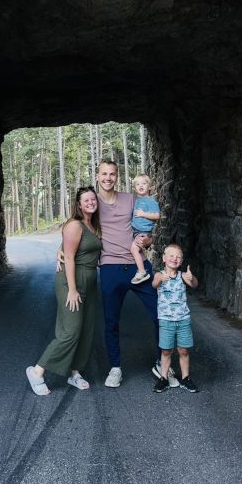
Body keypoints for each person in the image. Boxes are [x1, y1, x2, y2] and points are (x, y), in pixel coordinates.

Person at [60, 159, 178, 388]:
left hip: (138, 266)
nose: (108, 178)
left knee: (160, 315)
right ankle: (115, 367)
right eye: (104, 174)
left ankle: (162, 363)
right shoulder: (92, 202)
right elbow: (77, 226)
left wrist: (148, 240)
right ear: (97, 176)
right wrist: (61, 250)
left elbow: (148, 228)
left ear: (117, 176)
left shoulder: (131, 199)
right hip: (110, 267)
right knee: (111, 321)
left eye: (112, 174)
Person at [26, 187, 103, 396]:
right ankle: (37, 371)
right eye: (86, 200)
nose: (90, 202)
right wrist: (72, 289)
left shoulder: (94, 225)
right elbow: (68, 257)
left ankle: (75, 373)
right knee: (70, 331)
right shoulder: (74, 225)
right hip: (71, 281)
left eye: (93, 199)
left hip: (90, 282)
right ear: (79, 204)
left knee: (86, 329)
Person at [152, 244, 200, 393]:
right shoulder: (159, 274)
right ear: (164, 258)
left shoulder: (182, 275)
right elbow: (154, 284)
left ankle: (185, 378)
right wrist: (161, 279)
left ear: (182, 261)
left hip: (183, 319)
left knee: (183, 350)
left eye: (178, 256)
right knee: (166, 350)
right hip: (166, 320)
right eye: (171, 255)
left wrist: (192, 278)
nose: (175, 258)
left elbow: (194, 284)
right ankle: (163, 378)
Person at [129, 174, 160, 284]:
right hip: (136, 230)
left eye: (143, 183)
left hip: (144, 231)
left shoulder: (150, 201)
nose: (140, 186)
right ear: (135, 187)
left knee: (134, 249)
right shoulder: (136, 200)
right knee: (136, 249)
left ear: (149, 186)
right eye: (138, 184)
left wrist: (143, 214)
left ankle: (142, 272)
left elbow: (157, 215)